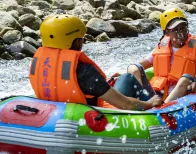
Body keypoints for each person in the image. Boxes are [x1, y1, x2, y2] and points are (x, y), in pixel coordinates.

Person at [29, 15, 162, 110]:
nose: (83, 42)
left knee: (123, 77)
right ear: (73, 42)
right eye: (80, 38)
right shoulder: (85, 71)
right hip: (92, 120)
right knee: (127, 77)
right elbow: (127, 105)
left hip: (55, 117)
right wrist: (149, 104)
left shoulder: (37, 64)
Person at [113, 7, 196, 104]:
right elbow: (138, 67)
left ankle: (163, 108)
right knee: (133, 68)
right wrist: (122, 74)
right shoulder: (161, 49)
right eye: (175, 30)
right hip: (154, 97)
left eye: (183, 28)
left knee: (185, 79)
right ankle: (131, 102)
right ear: (167, 32)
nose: (181, 33)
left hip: (178, 99)